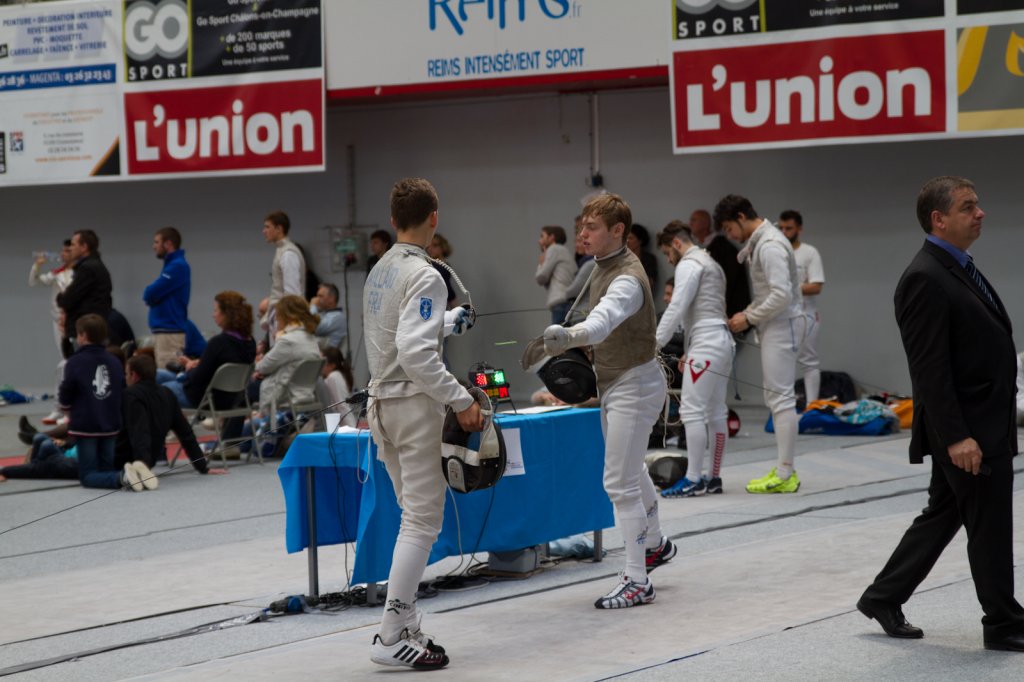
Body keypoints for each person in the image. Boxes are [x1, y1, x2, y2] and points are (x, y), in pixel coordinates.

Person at [857, 176, 1024, 652]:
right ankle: (1004, 623)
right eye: (968, 207)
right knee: (989, 525)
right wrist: (956, 437)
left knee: (944, 514)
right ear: (939, 219)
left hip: (983, 420)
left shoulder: (957, 267)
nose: (980, 213)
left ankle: (882, 597)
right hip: (969, 430)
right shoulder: (924, 278)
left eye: (978, 204)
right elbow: (929, 369)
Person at [364, 177, 481, 669]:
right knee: (421, 522)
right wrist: (460, 398)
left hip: (382, 406)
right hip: (413, 407)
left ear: (394, 220)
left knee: (411, 517)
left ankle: (407, 620)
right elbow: (414, 353)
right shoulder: (427, 274)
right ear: (434, 217)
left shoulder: (381, 269)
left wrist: (448, 322)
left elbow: (403, 333)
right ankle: (391, 636)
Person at [542, 193, 675, 610]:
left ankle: (637, 581)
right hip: (618, 382)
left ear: (618, 231)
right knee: (631, 470)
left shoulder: (627, 278)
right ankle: (654, 544)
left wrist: (570, 336)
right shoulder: (600, 266)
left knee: (619, 483)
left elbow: (603, 321)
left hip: (634, 385)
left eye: (592, 227)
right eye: (581, 226)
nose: (582, 233)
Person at [714, 195, 806, 494]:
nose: (730, 235)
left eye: (729, 228)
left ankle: (786, 472)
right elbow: (771, 293)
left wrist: (749, 317)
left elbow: (781, 295)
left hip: (783, 324)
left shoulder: (770, 245)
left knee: (781, 398)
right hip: (777, 324)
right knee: (777, 398)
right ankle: (784, 468)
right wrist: (750, 313)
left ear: (741, 217)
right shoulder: (763, 241)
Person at [655, 223, 733, 497]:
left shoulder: (689, 264)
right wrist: (691, 348)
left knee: (691, 411)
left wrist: (655, 344)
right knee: (716, 412)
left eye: (668, 252)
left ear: (677, 244)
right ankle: (713, 477)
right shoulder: (711, 263)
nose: (669, 259)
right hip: (721, 341)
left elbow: (677, 306)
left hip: (707, 343)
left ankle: (693, 479)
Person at [58, 314, 145, 491]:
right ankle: (124, 475)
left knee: (88, 475)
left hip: (86, 424)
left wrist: (66, 409)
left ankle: (122, 477)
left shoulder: (75, 362)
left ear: (83, 335)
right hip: (110, 423)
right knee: (106, 468)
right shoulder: (114, 361)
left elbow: (66, 391)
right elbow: (121, 390)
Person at [118, 355, 223, 478]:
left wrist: (142, 468)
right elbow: (185, 432)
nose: (125, 378)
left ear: (134, 375)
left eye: (126, 374)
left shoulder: (130, 395)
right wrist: (202, 466)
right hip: (149, 459)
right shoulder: (167, 393)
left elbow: (140, 433)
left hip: (128, 461)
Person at [779, 210, 825, 405]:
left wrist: (788, 289)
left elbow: (816, 286)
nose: (784, 232)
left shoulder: (809, 252)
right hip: (781, 315)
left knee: (809, 361)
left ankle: (811, 406)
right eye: (781, 228)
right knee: (783, 361)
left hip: (806, 313)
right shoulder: (776, 252)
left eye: (789, 228)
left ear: (799, 229)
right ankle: (784, 406)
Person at [29, 239, 75, 424]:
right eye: (62, 251)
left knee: (70, 364)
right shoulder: (58, 273)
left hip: (76, 322)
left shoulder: (81, 274)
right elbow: (34, 281)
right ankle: (59, 408)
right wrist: (37, 265)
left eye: (67, 251)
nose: (63, 254)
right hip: (59, 322)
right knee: (63, 364)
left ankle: (68, 410)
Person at [255, 295, 322, 420]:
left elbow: (262, 367)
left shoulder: (287, 340)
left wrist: (258, 362)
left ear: (286, 316)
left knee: (243, 388)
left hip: (283, 397)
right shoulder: (311, 338)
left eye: (277, 315)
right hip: (305, 394)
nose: (276, 319)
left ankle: (253, 421)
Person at [143, 227, 192, 369]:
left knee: (167, 375)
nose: (154, 246)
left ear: (168, 244)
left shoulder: (177, 266)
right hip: (166, 331)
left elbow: (149, 293)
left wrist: (152, 296)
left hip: (170, 332)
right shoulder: (172, 265)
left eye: (156, 242)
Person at [56, 230, 112, 350]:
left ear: (84, 247)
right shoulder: (95, 266)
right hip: (93, 330)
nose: (70, 248)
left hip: (85, 332)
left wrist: (60, 297)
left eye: (73, 245)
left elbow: (67, 299)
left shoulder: (87, 269)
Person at [690, 208, 751, 318]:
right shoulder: (702, 248)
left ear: (706, 223)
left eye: (694, 220)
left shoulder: (723, 249)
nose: (690, 223)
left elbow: (727, 281)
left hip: (728, 311)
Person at [261, 211, 306, 343]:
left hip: (285, 320)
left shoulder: (288, 254)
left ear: (279, 229)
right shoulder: (281, 251)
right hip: (280, 317)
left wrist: (285, 327)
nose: (264, 231)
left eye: (267, 227)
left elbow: (292, 294)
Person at [535, 225, 577, 324]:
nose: (539, 241)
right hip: (567, 302)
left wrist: (541, 264)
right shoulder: (563, 250)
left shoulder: (554, 249)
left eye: (542, 236)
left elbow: (541, 277)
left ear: (551, 237)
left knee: (556, 333)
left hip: (560, 303)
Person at [0, 433, 78, 482]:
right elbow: (75, 442)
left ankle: (32, 465)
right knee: (39, 437)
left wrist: (3, 471)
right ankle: (32, 464)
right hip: (63, 452)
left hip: (62, 460)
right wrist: (65, 443)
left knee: (47, 445)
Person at [564, 221, 596, 321]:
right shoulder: (584, 263)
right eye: (576, 241)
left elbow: (572, 291)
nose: (576, 245)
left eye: (579, 241)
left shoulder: (590, 264)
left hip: (583, 315)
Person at [321, 346, 357, 427]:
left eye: (322, 362)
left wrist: (352, 428)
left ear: (332, 365)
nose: (319, 365)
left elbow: (342, 404)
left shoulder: (334, 377)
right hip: (338, 423)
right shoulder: (335, 376)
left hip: (342, 426)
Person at [310, 282, 347, 350]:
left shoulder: (338, 317)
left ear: (331, 299)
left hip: (328, 355)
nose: (317, 299)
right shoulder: (323, 314)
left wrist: (313, 306)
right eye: (317, 296)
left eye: (320, 296)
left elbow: (313, 327)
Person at [427, 232, 458, 309]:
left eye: (435, 245)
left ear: (442, 247)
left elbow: (449, 290)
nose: (430, 248)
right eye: (428, 246)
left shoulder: (444, 267)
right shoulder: (427, 265)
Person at [626, 223, 658, 292]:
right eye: (626, 238)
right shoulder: (621, 257)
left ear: (640, 241)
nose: (627, 241)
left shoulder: (649, 259)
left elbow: (649, 282)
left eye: (631, 238)